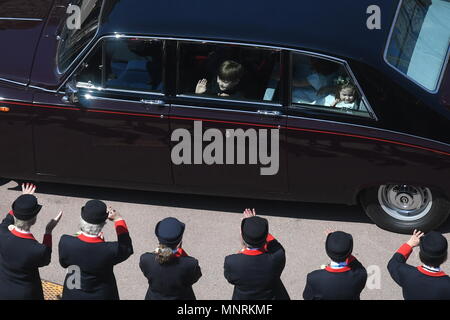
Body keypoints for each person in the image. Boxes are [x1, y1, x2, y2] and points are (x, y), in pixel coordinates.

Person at [58, 199, 133, 300]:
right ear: (103, 224)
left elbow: (64, 264)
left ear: (82, 219)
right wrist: (118, 219)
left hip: (73, 292)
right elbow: (127, 248)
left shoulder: (66, 241)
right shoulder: (110, 250)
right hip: (102, 294)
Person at [0, 183, 62, 300]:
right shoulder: (38, 249)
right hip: (26, 294)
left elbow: (8, 219)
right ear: (34, 220)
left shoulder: (2, 232)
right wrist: (48, 231)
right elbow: (46, 259)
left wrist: (21, 202)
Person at [224, 208, 290, 300]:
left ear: (242, 237)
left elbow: (230, 279)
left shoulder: (232, 262)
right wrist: (256, 225)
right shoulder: (278, 256)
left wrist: (250, 226)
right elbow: (273, 243)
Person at [139, 217, 202, 300]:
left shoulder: (146, 259)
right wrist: (181, 252)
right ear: (180, 239)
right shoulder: (190, 264)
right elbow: (194, 278)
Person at [303, 230, 367, 300]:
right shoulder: (361, 274)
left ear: (327, 251)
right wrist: (342, 247)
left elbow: (307, 297)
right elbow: (356, 264)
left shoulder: (313, 278)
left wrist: (333, 243)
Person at [388, 229, 450, 300]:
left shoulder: (407, 274)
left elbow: (393, 263)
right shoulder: (447, 285)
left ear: (421, 255)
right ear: (445, 257)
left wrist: (410, 244)